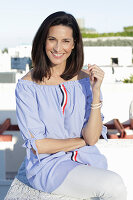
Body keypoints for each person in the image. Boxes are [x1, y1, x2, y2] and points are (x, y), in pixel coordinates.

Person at [15, 11, 127, 200]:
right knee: (113, 186)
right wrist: (82, 141)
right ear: (43, 41)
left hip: (88, 159)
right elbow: (40, 146)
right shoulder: (27, 87)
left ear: (74, 44)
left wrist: (96, 91)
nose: (58, 47)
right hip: (48, 167)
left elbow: (92, 137)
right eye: (52, 39)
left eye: (66, 41)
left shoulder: (86, 81)